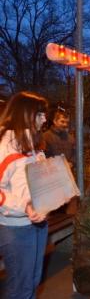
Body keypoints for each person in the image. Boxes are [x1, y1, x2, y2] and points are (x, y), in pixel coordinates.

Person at [0, 91, 48, 298]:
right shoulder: (5, 147)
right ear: (25, 114)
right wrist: (24, 206)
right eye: (40, 114)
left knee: (31, 282)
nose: (45, 119)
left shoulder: (33, 144)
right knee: (20, 286)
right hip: (16, 228)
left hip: (38, 224)